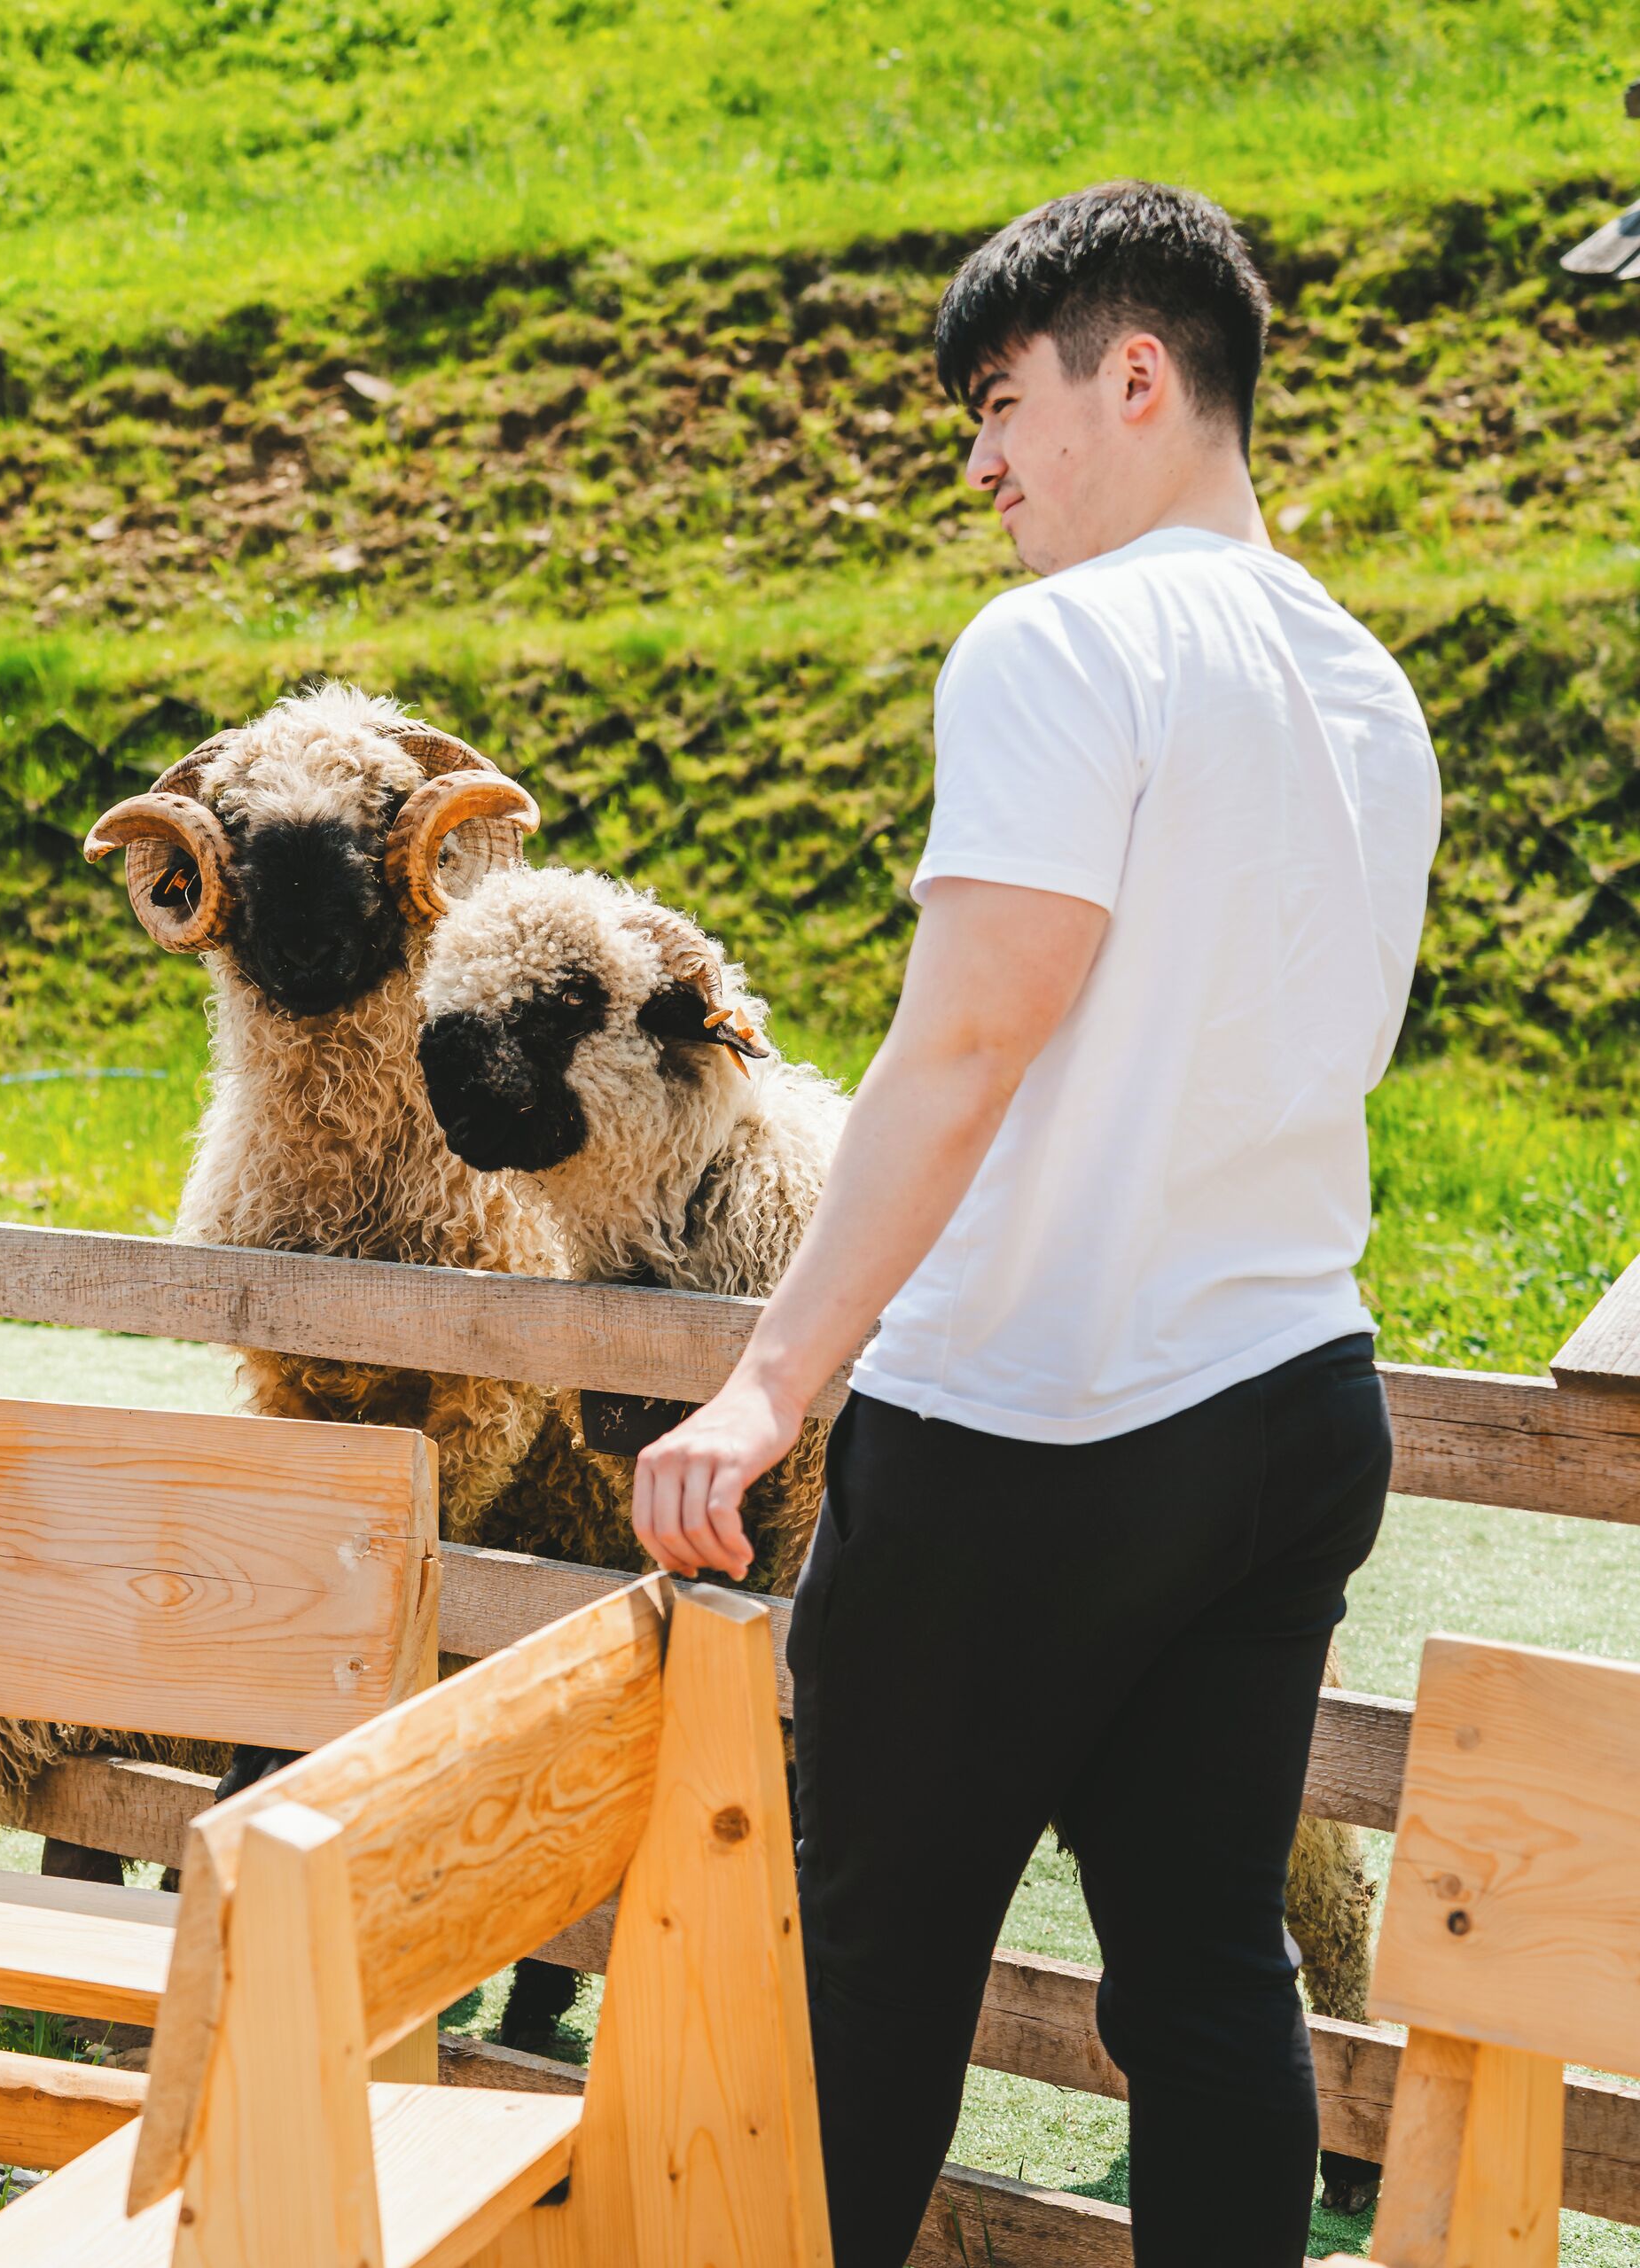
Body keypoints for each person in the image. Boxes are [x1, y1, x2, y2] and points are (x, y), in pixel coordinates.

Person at [629, 183, 1438, 2267]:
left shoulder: (1062, 641)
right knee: (1207, 1984)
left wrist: (764, 1378)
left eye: (1000, 404)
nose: (979, 464)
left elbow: (970, 1037)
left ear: (1138, 375)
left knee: (864, 1975)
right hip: (1289, 1412)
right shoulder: (1368, 690)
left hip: (1030, 1435)